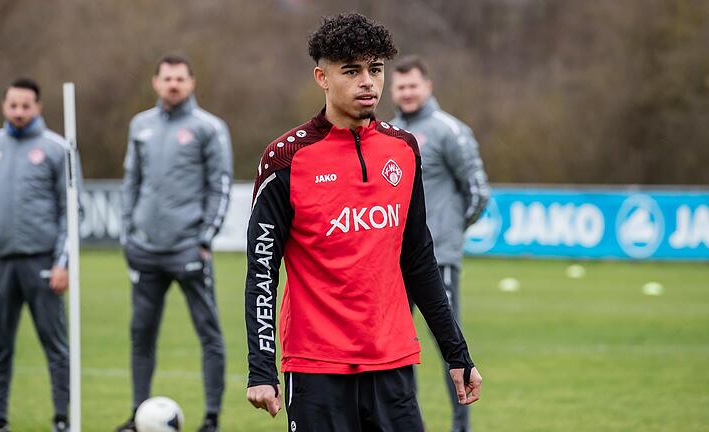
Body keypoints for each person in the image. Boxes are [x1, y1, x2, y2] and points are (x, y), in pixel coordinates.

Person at [245, 13, 482, 432]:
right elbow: (262, 269)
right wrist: (261, 368)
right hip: (317, 367)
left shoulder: (404, 150)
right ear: (322, 76)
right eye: (351, 71)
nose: (368, 82)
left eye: (375, 69)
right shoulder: (285, 159)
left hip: (392, 361)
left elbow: (420, 260)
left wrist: (457, 353)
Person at [116, 53, 233, 432]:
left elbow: (220, 185)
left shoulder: (209, 128)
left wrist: (204, 239)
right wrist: (127, 234)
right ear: (155, 82)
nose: (173, 84)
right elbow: (131, 182)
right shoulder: (141, 125)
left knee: (209, 334)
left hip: (188, 250)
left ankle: (211, 418)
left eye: (180, 78)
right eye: (166, 78)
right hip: (145, 250)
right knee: (141, 336)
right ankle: (137, 416)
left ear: (191, 83)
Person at [0, 78, 78, 432]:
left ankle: (61, 419)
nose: (19, 112)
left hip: (43, 263)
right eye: (13, 105)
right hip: (1, 263)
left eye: (26, 106)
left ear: (38, 107)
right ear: (3, 106)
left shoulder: (57, 149)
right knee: (0, 346)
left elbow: (73, 211)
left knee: (55, 347)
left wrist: (63, 262)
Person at [390, 55, 490, 432]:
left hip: (438, 259)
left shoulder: (450, 130)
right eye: (400, 86)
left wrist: (447, 234)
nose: (407, 92)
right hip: (394, 261)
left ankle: (460, 426)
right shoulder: (388, 132)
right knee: (397, 348)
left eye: (413, 85)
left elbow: (478, 193)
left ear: (427, 86)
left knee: (450, 348)